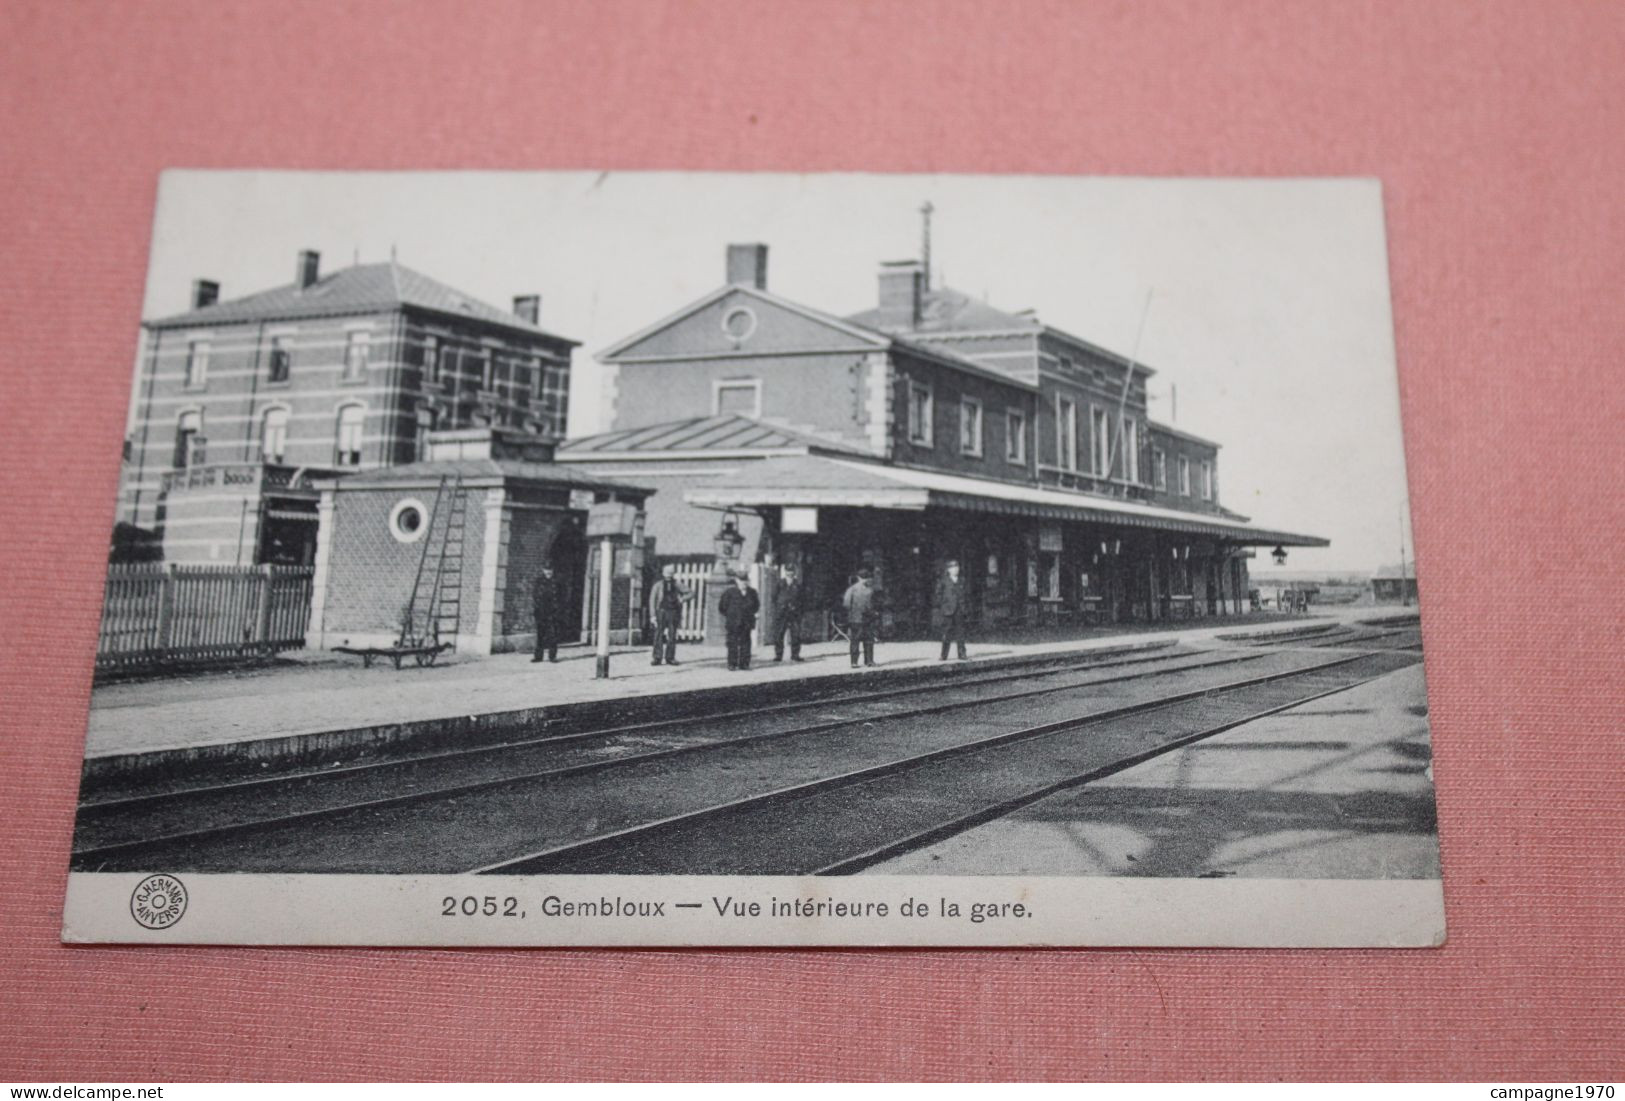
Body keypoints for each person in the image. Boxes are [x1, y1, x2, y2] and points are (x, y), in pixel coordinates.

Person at [646, 563, 694, 666]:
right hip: (661, 612)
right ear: (663, 573)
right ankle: (657, 657)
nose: (669, 576)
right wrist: (652, 615)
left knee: (672, 635)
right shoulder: (658, 585)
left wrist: (682, 599)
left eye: (671, 573)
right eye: (667, 573)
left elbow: (691, 593)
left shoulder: (677, 584)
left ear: (673, 574)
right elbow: (652, 600)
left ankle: (670, 657)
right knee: (658, 634)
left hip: (673, 612)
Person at [717, 570, 761, 671]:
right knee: (732, 643)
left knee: (746, 643)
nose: (744, 583)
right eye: (741, 580)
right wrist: (731, 616)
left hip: (747, 623)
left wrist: (749, 615)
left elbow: (756, 606)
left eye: (745, 580)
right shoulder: (729, 593)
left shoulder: (752, 592)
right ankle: (732, 664)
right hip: (733, 623)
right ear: (736, 581)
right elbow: (722, 607)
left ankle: (744, 664)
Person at [842, 568, 878, 669]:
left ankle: (854, 662)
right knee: (869, 640)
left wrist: (852, 612)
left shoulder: (852, 589)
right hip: (867, 618)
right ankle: (869, 661)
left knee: (855, 640)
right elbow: (872, 605)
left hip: (855, 618)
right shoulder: (870, 590)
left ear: (858, 578)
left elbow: (846, 604)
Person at [936, 558, 970, 661]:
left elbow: (966, 594)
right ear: (948, 570)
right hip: (948, 610)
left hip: (959, 610)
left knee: (961, 633)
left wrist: (965, 607)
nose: (956, 569)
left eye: (957, 567)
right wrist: (943, 605)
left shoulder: (962, 580)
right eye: (953, 568)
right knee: (947, 633)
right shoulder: (944, 581)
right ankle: (944, 655)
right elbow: (938, 594)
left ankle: (962, 654)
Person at [770, 564, 805, 662]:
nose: (790, 573)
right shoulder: (779, 583)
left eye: (792, 571)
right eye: (788, 571)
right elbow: (773, 597)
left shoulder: (798, 585)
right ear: (785, 572)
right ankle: (778, 655)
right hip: (782, 613)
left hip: (794, 614)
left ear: (794, 572)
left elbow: (802, 599)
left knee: (796, 635)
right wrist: (779, 608)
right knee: (779, 634)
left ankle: (795, 655)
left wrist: (798, 610)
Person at [530, 560, 563, 663]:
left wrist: (559, 608)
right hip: (541, 612)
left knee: (553, 634)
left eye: (550, 570)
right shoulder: (539, 581)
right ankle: (538, 656)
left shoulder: (557, 581)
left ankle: (552, 657)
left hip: (553, 612)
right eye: (546, 569)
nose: (548, 572)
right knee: (540, 635)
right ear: (543, 570)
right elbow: (535, 595)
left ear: (553, 570)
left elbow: (563, 596)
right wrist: (537, 607)